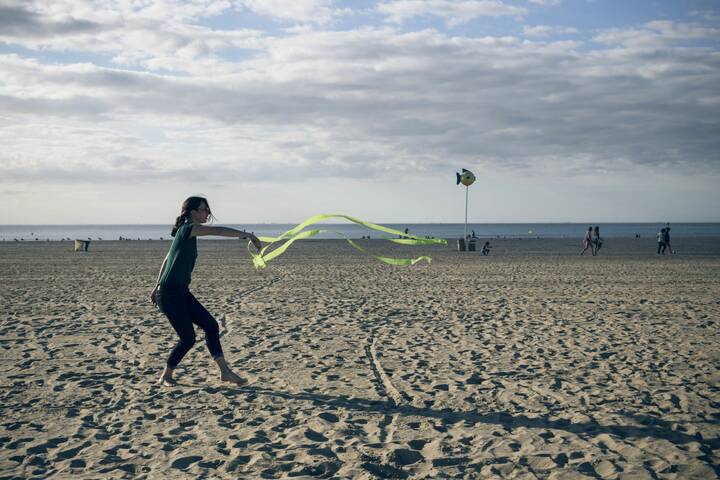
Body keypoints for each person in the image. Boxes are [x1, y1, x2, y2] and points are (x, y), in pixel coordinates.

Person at [150, 196, 262, 387]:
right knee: (188, 338)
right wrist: (249, 235)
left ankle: (224, 372)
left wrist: (155, 285)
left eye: (207, 210)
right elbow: (218, 230)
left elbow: (167, 259)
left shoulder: (185, 233)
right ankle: (166, 376)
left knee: (211, 325)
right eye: (204, 210)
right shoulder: (188, 229)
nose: (207, 213)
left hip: (179, 291)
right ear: (193, 211)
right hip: (169, 294)